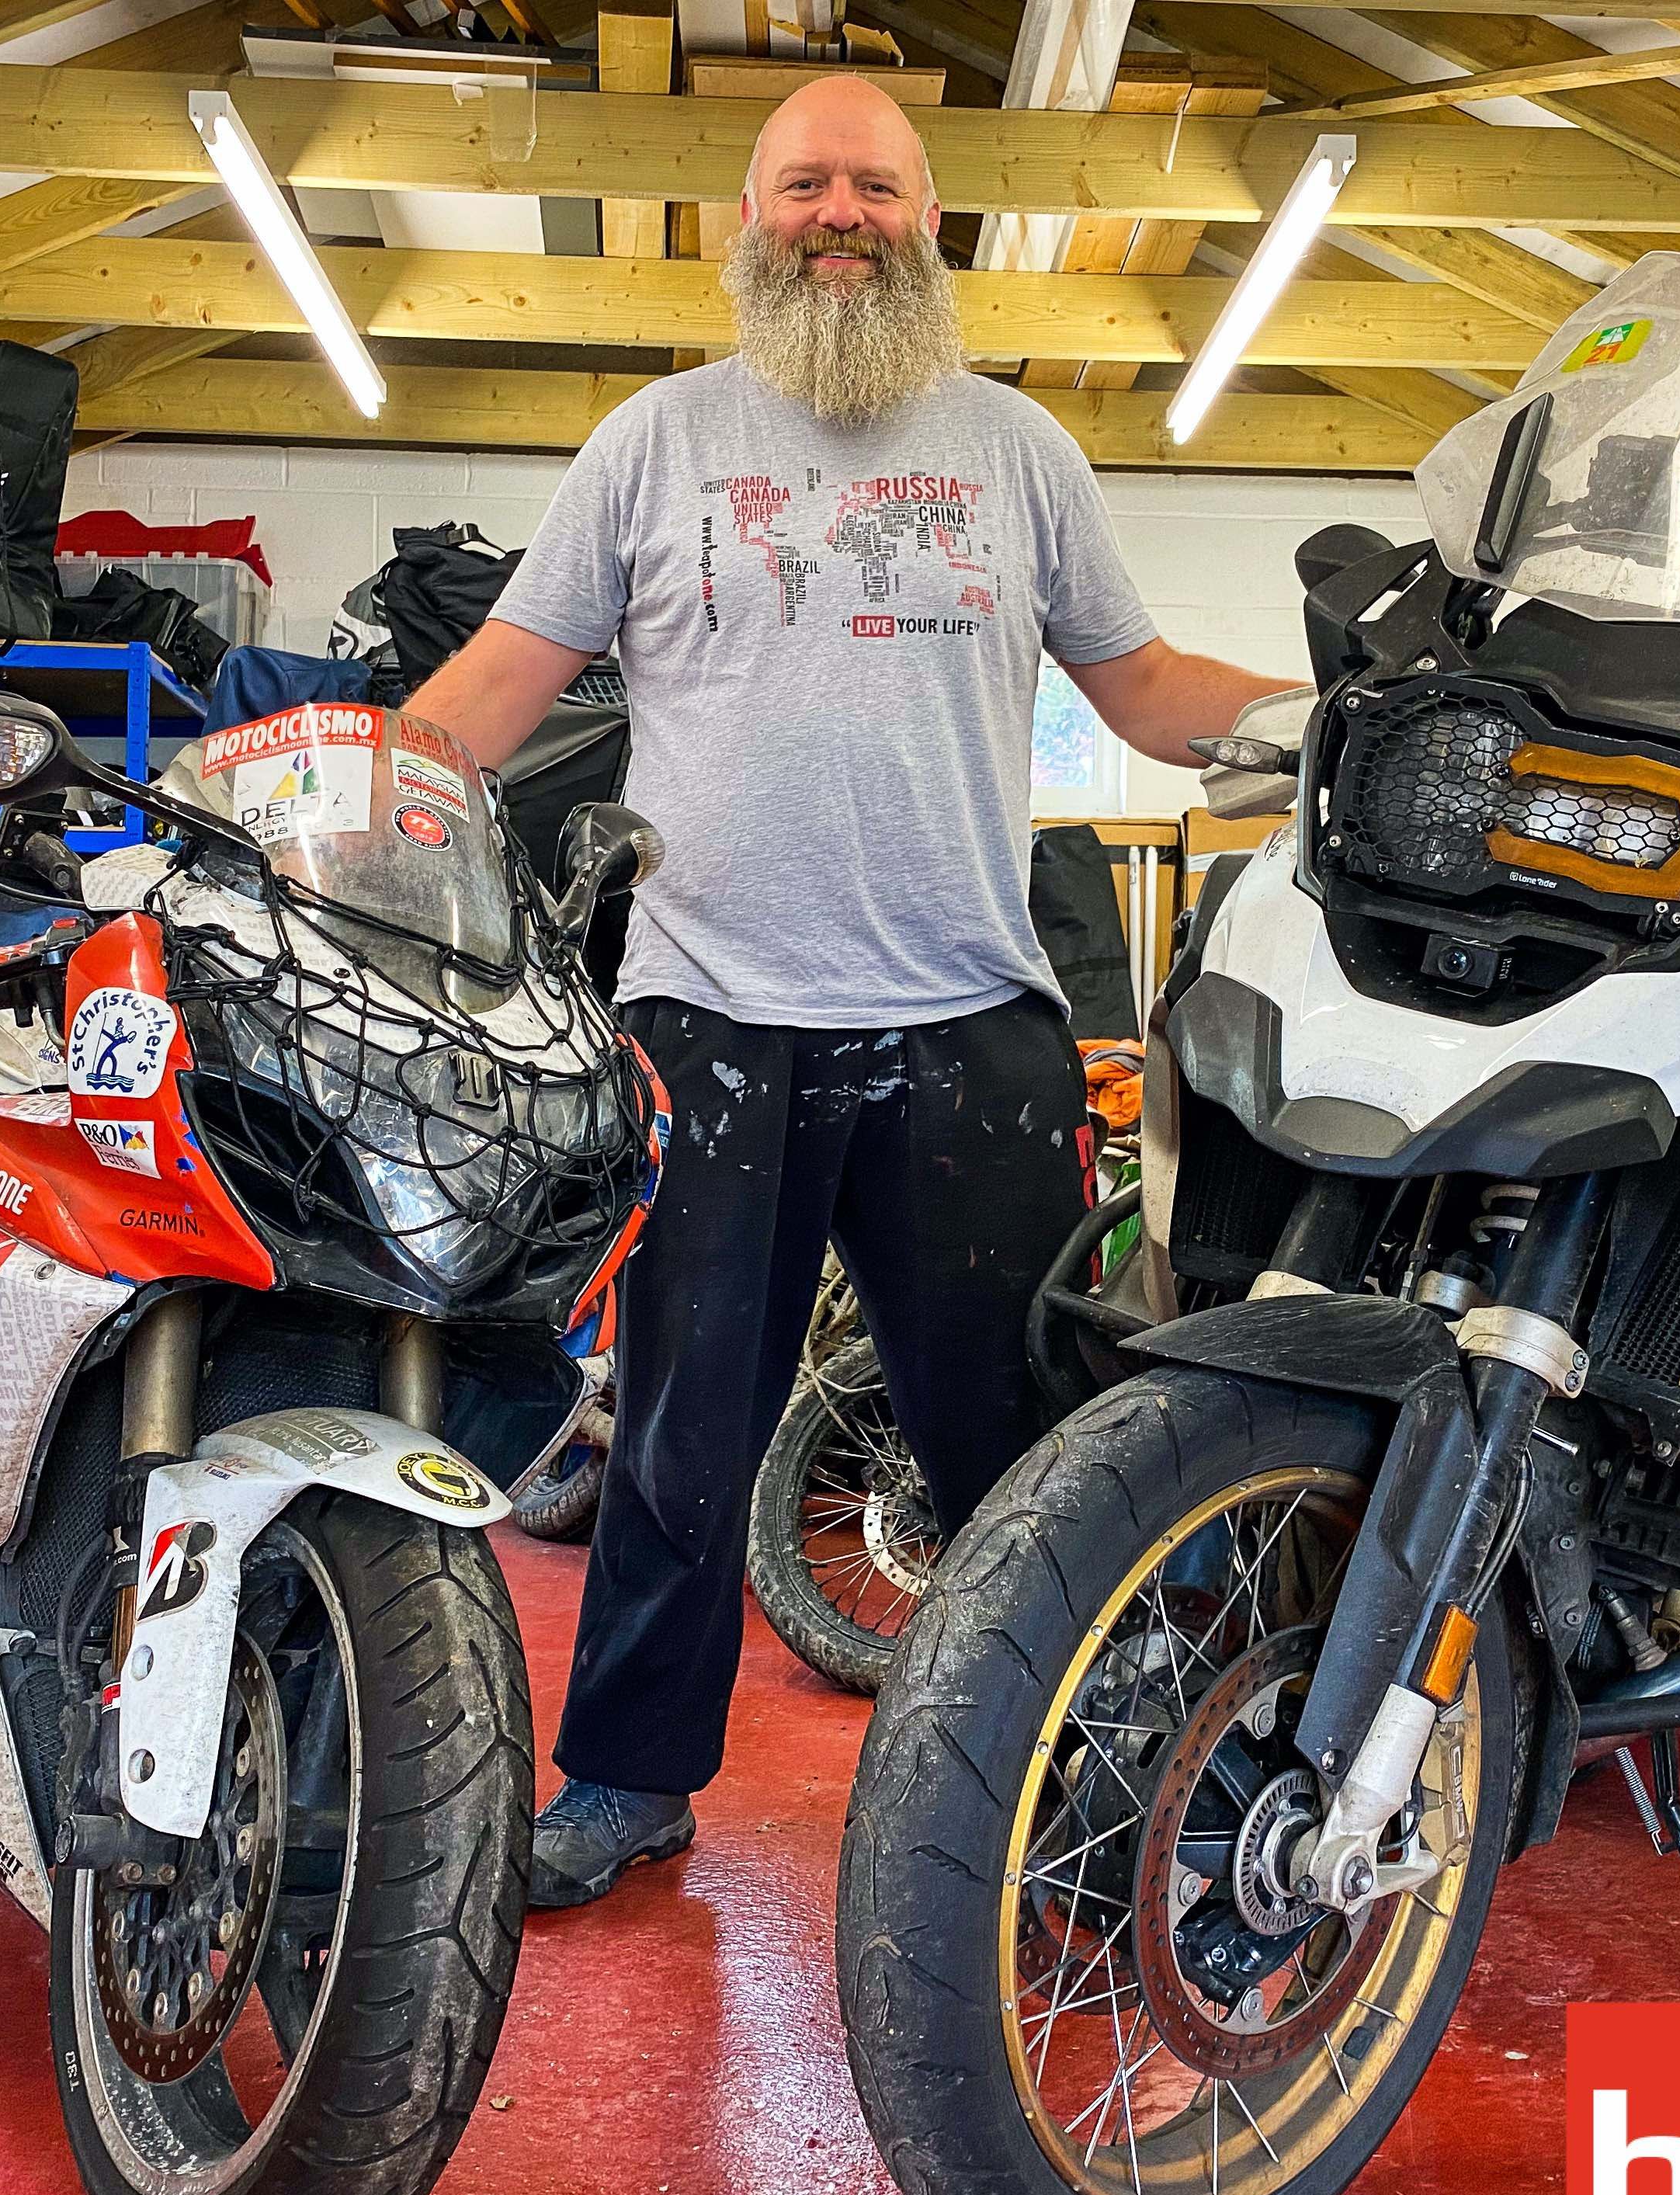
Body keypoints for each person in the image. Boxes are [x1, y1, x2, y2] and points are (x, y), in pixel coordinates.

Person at [402, 74, 1302, 1908]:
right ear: (748, 218)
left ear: (930, 216)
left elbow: (1142, 693)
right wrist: (333, 783)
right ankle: (634, 1779)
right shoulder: (655, 443)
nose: (841, 211)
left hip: (971, 1022)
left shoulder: (1018, 452)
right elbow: (505, 677)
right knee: (677, 1437)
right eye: (806, 181)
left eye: (874, 185)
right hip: (708, 1017)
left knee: (1024, 1446)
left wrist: (1337, 720)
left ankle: (1087, 1782)